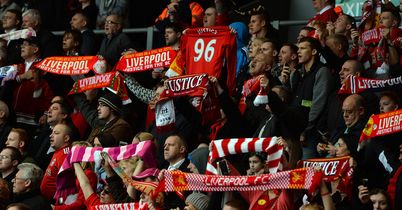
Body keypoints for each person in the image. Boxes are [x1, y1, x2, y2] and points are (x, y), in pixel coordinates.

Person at [293, 36, 332, 159]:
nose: (298, 51)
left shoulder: (322, 71)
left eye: (303, 48)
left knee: (307, 171)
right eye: (298, 48)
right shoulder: (297, 73)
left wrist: (305, 130)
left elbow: (317, 103)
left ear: (314, 52)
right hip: (296, 131)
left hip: (311, 133)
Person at [40, 123, 74, 201]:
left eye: (56, 133)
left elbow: (66, 186)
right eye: (52, 132)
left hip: (56, 201)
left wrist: (58, 203)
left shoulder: (65, 155)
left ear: (66, 138)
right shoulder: (59, 151)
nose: (51, 135)